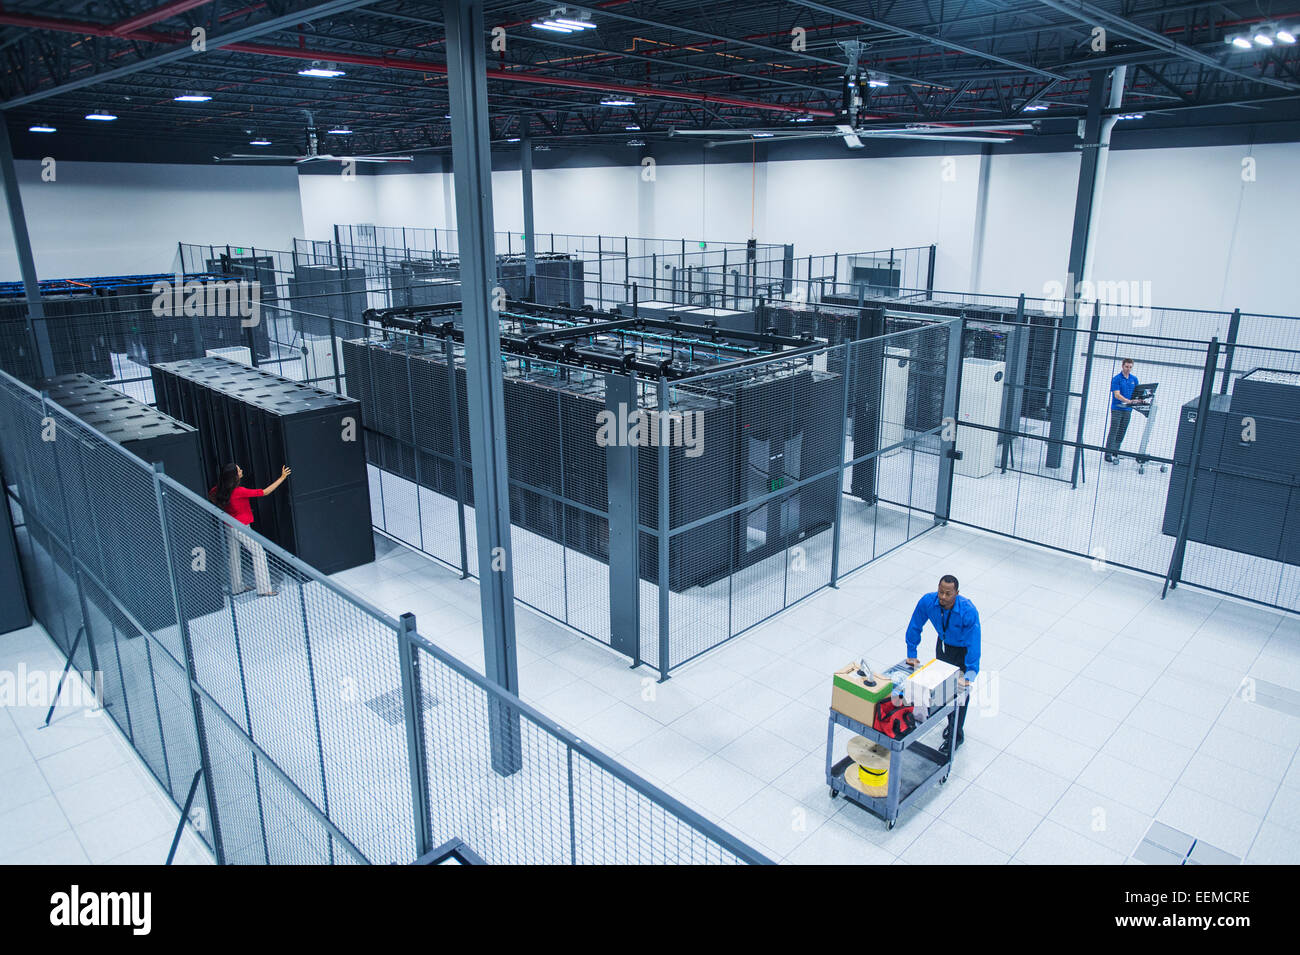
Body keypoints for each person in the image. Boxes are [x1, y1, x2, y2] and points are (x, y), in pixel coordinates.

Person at [905, 574, 980, 754]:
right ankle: (948, 722)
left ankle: (955, 736)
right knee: (943, 690)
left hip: (962, 652)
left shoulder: (968, 611)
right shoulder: (928, 602)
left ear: (957, 593)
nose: (943, 597)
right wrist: (911, 653)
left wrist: (970, 674)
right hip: (944, 646)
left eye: (948, 594)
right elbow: (915, 624)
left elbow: (974, 643)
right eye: (941, 592)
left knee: (960, 695)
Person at [209, 463, 291, 597]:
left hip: (229, 525)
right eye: (239, 469)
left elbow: (212, 496)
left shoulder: (218, 489)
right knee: (259, 553)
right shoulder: (239, 491)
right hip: (241, 527)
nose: (241, 470)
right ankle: (264, 589)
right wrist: (282, 477)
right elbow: (264, 492)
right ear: (235, 476)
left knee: (234, 556)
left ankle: (237, 587)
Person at [1103, 357, 1142, 463]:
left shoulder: (1134, 379)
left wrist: (1138, 400)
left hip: (1128, 409)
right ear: (1122, 366)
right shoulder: (1116, 379)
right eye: (1126, 366)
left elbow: (1137, 393)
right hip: (1117, 408)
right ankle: (1108, 452)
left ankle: (1116, 450)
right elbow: (1117, 394)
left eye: (1130, 367)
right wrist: (1128, 401)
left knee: (1122, 430)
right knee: (1114, 430)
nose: (1128, 369)